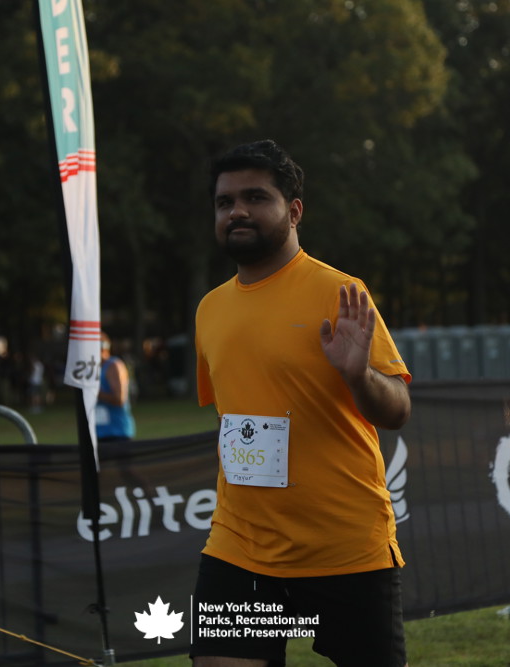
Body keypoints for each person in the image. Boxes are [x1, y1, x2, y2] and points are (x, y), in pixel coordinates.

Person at [191, 140, 412, 667]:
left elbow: (398, 409)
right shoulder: (209, 310)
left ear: (294, 212)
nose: (237, 211)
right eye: (225, 202)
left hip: (343, 547)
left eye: (255, 197)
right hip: (240, 546)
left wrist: (359, 376)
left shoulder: (340, 293)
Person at [96, 332, 136, 442]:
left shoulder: (113, 365)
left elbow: (119, 399)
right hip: (98, 432)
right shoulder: (93, 368)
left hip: (117, 432)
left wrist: (94, 393)